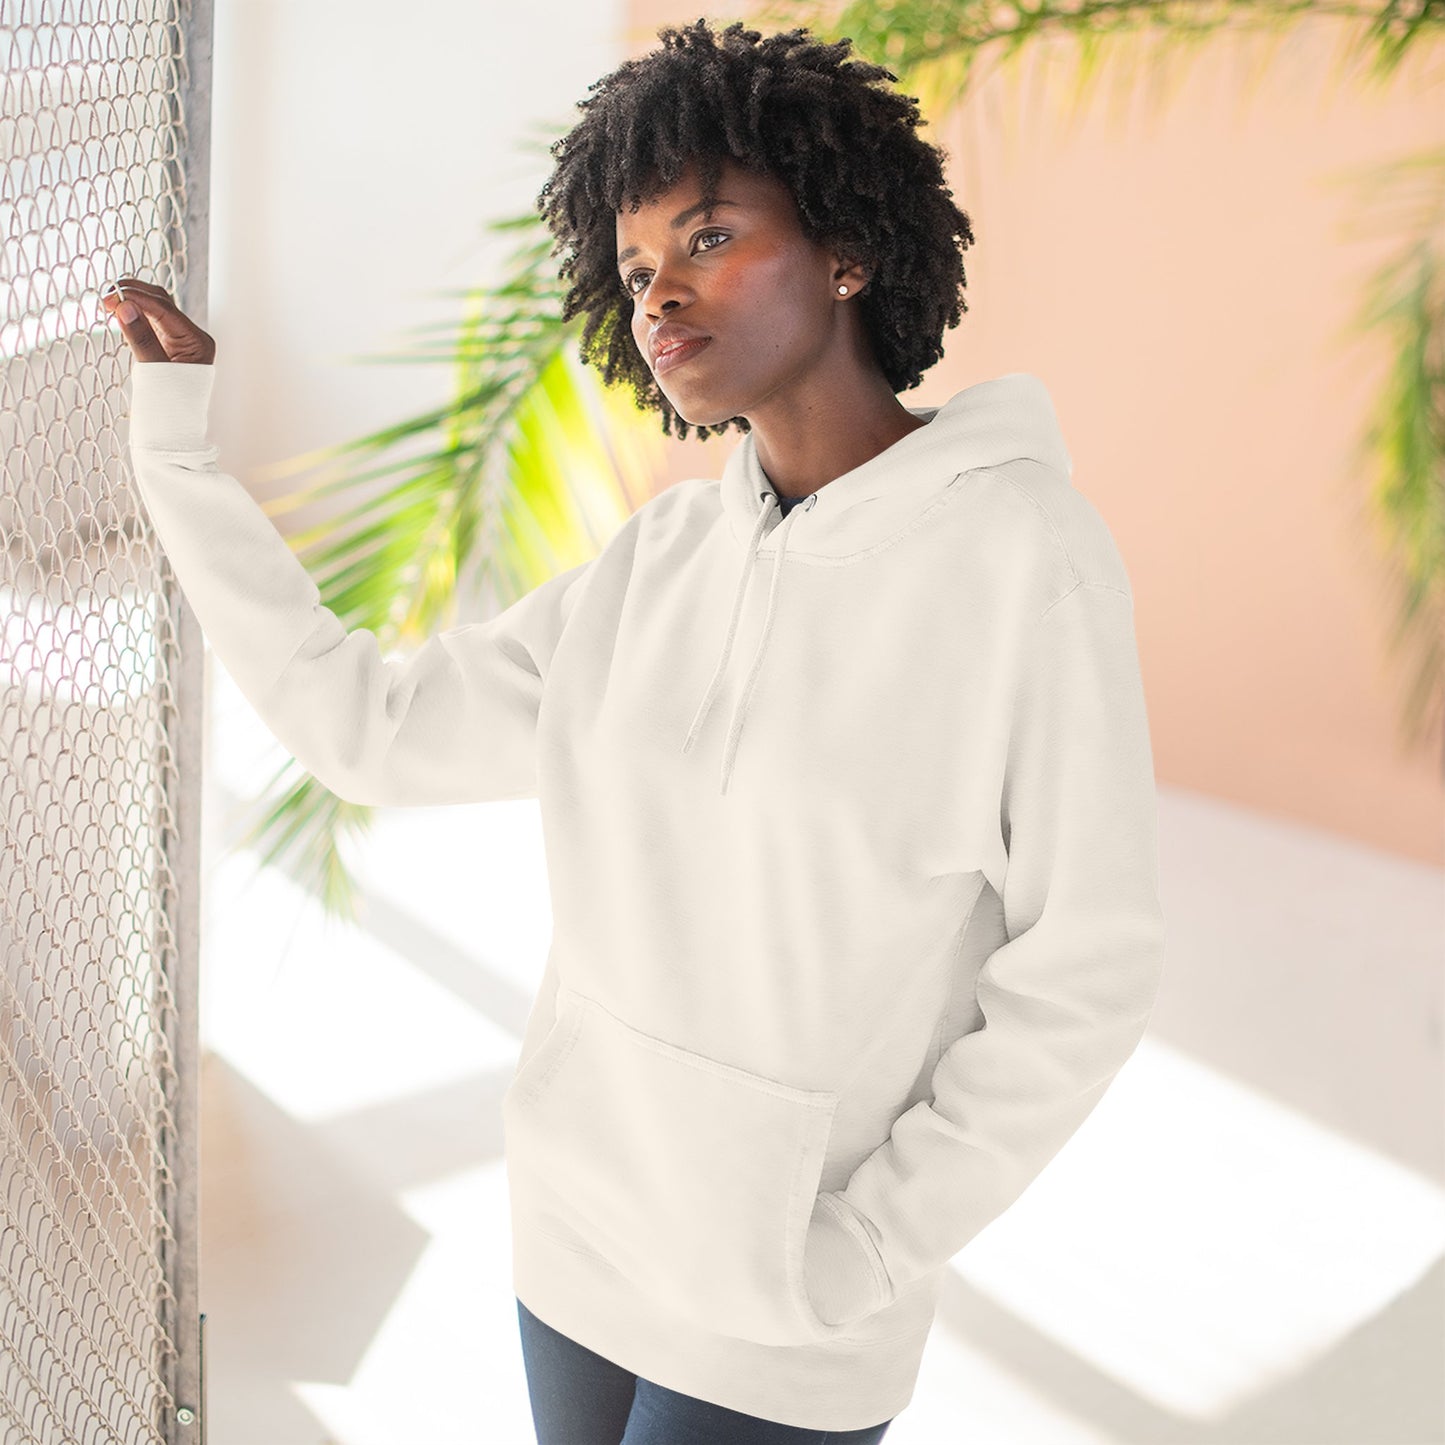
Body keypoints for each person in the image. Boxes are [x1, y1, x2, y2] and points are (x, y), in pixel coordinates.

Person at [107, 18, 1167, 1445]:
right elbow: (368, 729)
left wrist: (864, 1247)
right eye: (634, 265)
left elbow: (1087, 964)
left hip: (788, 1305)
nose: (660, 291)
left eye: (710, 236)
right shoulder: (660, 560)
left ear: (848, 247)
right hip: (576, 1239)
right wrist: (179, 454)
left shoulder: (1022, 558)